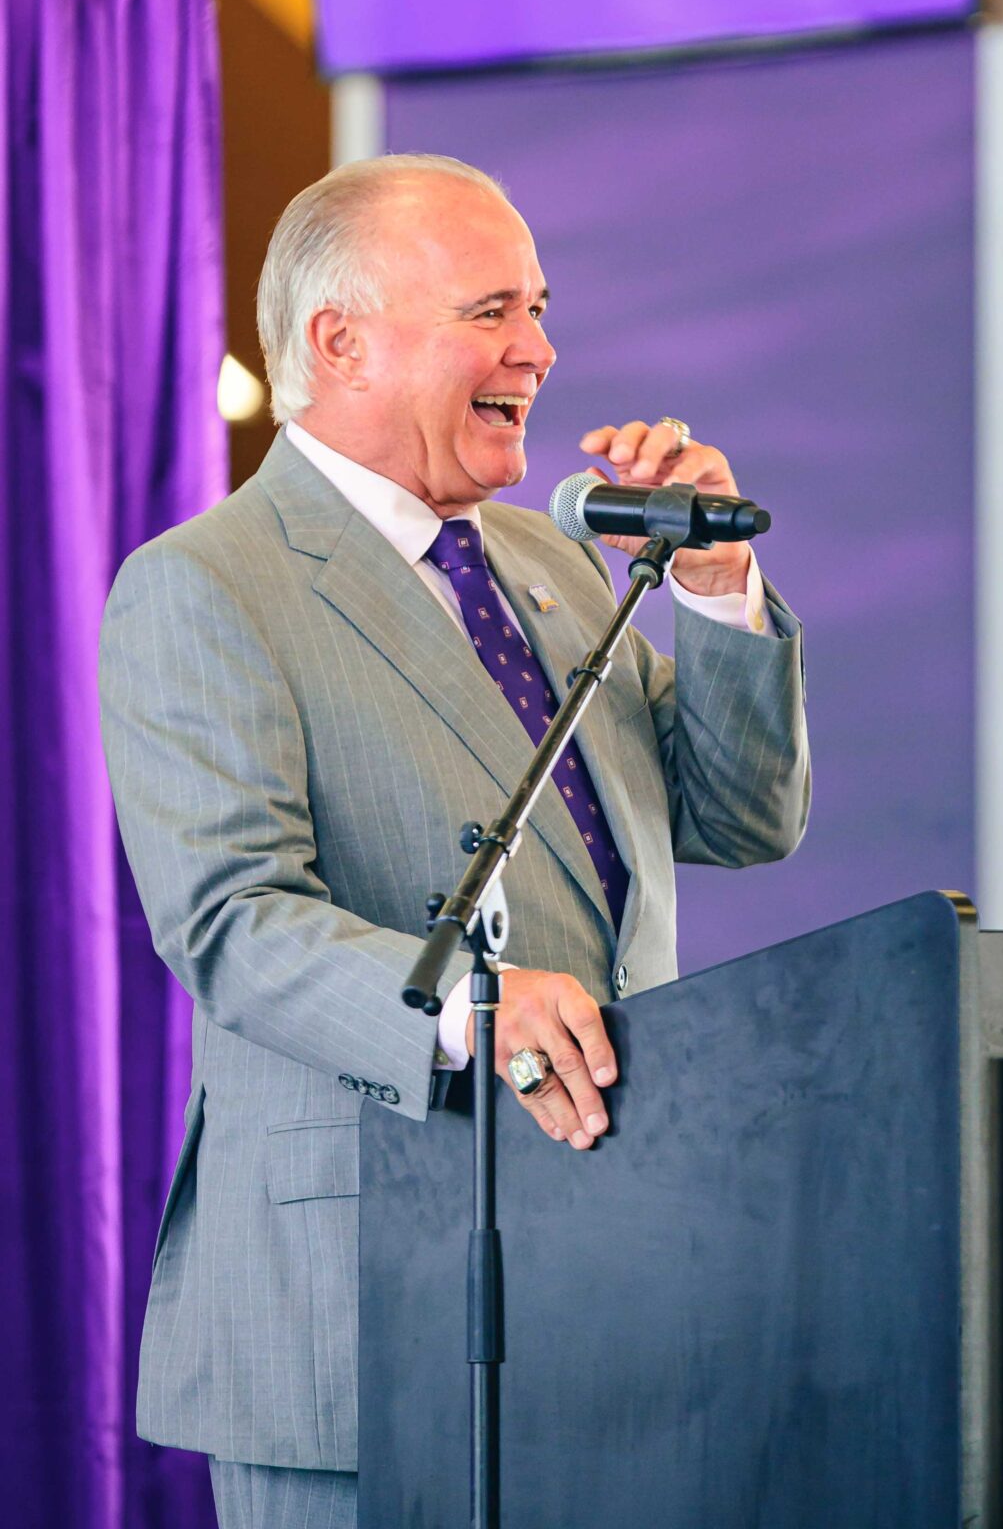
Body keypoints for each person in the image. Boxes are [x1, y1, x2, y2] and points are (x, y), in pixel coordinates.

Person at [99, 153, 808, 1529]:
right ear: (340, 343)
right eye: (492, 312)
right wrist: (475, 1011)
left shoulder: (549, 563)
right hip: (355, 1306)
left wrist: (717, 595)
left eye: (539, 309)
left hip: (611, 1280)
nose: (538, 349)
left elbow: (738, 817)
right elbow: (233, 921)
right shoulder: (204, 587)